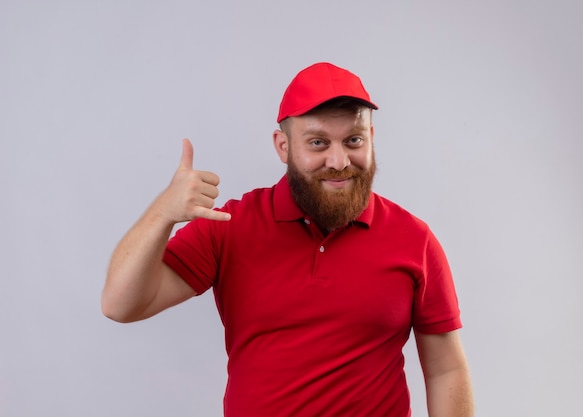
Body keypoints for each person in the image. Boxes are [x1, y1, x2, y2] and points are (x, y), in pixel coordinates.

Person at [102, 62, 474, 417]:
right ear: (283, 146)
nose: (339, 160)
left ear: (371, 138)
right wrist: (161, 215)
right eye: (318, 143)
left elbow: (445, 370)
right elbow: (121, 305)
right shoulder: (230, 225)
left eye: (354, 140)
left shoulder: (414, 240)